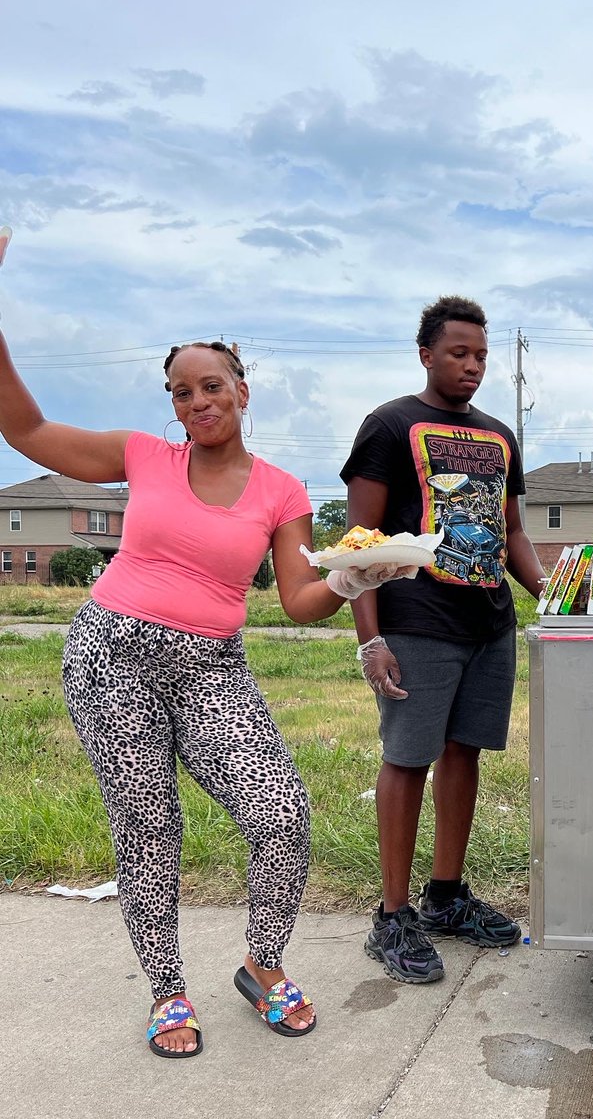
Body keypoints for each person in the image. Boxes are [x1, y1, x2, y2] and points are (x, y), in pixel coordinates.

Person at [0, 325, 403, 1059]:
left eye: (211, 386)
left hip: (212, 667)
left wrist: (351, 580)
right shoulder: (140, 456)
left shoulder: (281, 490)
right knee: (148, 829)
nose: (197, 402)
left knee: (280, 812)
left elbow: (296, 598)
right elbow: (23, 426)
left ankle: (263, 964)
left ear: (241, 391)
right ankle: (166, 991)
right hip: (111, 657)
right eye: (180, 393)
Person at [341, 294, 545, 984]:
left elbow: (512, 531)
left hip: (488, 623)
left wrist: (551, 593)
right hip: (416, 620)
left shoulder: (498, 435)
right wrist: (369, 639)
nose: (472, 366)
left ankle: (446, 898)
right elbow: (358, 543)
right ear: (425, 353)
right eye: (458, 353)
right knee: (408, 758)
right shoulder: (390, 424)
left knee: (465, 755)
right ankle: (391, 916)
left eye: (481, 355)